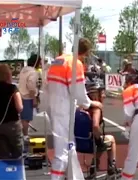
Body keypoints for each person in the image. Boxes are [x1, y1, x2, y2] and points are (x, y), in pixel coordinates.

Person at [46, 38, 103, 180]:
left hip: (53, 105)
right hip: (64, 109)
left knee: (70, 147)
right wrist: (90, 104)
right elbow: (78, 91)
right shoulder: (76, 63)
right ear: (87, 52)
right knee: (62, 153)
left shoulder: (58, 60)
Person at [81, 83, 120, 178]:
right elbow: (95, 126)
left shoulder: (82, 108)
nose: (104, 95)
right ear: (95, 94)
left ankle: (93, 167)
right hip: (90, 142)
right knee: (110, 140)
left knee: (100, 141)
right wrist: (99, 141)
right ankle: (112, 166)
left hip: (80, 141)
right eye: (102, 93)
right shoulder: (96, 109)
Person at [0, 64, 23, 159]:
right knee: (17, 153)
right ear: (8, 74)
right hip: (12, 125)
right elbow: (19, 107)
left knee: (3, 154)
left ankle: (3, 172)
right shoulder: (13, 88)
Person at [18, 54, 41, 152]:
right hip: (27, 97)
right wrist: (34, 98)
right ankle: (26, 136)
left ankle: (24, 134)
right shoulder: (33, 72)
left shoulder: (24, 70)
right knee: (26, 118)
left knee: (23, 117)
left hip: (21, 95)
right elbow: (31, 85)